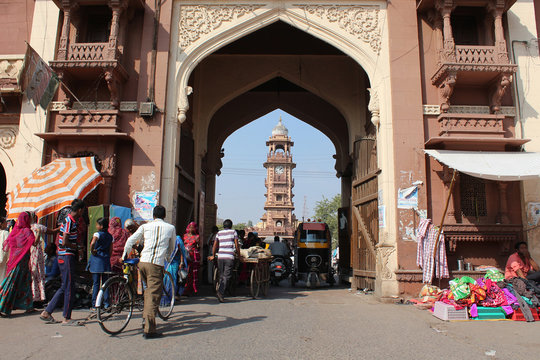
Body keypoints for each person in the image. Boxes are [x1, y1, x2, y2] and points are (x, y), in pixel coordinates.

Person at [122, 205, 176, 339]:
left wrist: (124, 256)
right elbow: (172, 246)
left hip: (143, 262)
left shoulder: (145, 226)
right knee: (153, 296)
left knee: (147, 293)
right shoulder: (170, 228)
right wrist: (167, 257)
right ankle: (150, 330)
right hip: (156, 264)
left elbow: (130, 240)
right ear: (164, 216)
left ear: (153, 215)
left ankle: (144, 320)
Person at [40, 199, 86, 325]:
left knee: (65, 285)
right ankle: (67, 317)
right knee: (69, 286)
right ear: (80, 210)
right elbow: (65, 241)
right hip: (66, 256)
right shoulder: (69, 221)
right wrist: (77, 247)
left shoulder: (70, 221)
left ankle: (47, 312)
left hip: (65, 256)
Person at [0, 212, 36, 316]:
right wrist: (36, 234)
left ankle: (28, 306)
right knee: (11, 282)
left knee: (25, 281)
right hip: (22, 261)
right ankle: (1, 305)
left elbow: (9, 244)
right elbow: (33, 242)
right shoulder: (27, 231)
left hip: (14, 259)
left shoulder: (15, 231)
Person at [209, 219, 240, 303]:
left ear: (223, 226)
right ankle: (220, 292)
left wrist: (213, 254)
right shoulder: (233, 232)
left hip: (220, 256)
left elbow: (215, 244)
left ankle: (220, 290)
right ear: (231, 226)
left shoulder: (219, 233)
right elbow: (236, 244)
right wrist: (238, 254)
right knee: (227, 276)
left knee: (222, 275)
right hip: (229, 257)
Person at [88, 217, 113, 310]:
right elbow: (111, 250)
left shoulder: (97, 234)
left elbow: (92, 243)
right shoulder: (110, 236)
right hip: (105, 261)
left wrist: (92, 251)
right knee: (106, 283)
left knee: (96, 284)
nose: (96, 226)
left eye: (97, 224)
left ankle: (95, 304)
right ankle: (106, 304)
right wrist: (107, 257)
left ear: (101, 226)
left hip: (97, 261)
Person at [183, 222, 200, 296]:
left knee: (192, 273)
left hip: (193, 257)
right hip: (185, 256)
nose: (191, 229)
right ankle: (185, 289)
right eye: (190, 227)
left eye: (193, 227)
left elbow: (198, 247)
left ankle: (192, 289)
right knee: (185, 273)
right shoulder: (184, 236)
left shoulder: (197, 237)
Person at [0, 217, 10, 282]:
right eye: (5, 222)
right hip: (2, 259)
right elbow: (9, 246)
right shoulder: (5, 233)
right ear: (1, 224)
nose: (7, 224)